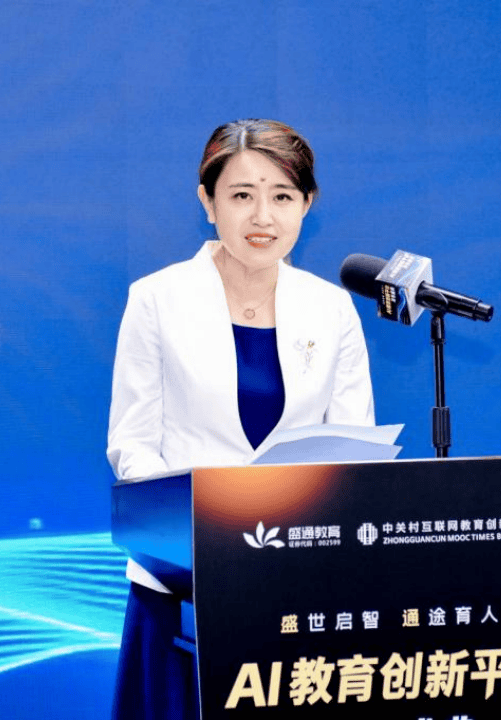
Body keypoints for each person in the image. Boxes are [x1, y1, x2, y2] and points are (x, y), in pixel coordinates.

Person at [106, 119, 375, 718]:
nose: (263, 217)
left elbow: (353, 451)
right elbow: (132, 445)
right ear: (208, 203)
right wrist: (201, 537)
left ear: (306, 205)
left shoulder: (331, 309)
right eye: (242, 195)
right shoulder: (157, 299)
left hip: (298, 585)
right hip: (181, 583)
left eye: (282, 196)